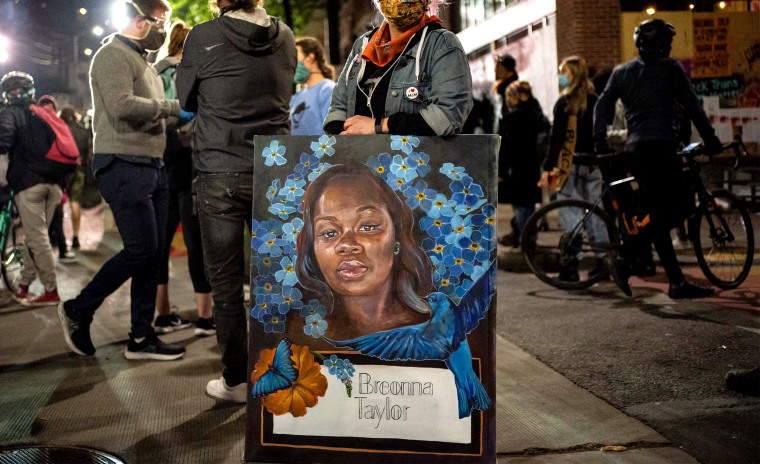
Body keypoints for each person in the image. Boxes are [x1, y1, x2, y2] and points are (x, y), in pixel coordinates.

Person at [177, 0, 296, 403]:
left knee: (226, 285)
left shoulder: (203, 36)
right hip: (274, 168)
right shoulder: (286, 38)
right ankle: (282, 373)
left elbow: (185, 100)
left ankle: (237, 380)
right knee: (276, 280)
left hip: (219, 169)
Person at [57, 0, 186, 361]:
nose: (163, 27)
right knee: (141, 249)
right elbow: (122, 106)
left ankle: (141, 338)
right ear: (138, 20)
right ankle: (79, 308)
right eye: (159, 20)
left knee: (153, 254)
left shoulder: (144, 63)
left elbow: (153, 114)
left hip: (152, 163)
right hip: (124, 163)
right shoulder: (111, 55)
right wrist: (174, 109)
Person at [594, 19, 723, 299]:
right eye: (668, 41)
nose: (671, 46)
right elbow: (693, 107)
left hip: (635, 151)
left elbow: (602, 104)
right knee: (682, 205)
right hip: (661, 148)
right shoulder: (670, 69)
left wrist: (600, 142)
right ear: (661, 43)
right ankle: (627, 255)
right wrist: (711, 140)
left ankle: (674, 281)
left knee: (657, 212)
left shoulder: (622, 72)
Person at [295, 162, 434, 340]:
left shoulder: (443, 330)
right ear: (312, 248)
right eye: (329, 232)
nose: (347, 245)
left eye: (368, 227)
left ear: (397, 236)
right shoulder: (299, 334)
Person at [323, 0, 472, 136]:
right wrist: (343, 137)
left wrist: (378, 125)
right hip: (359, 159)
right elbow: (338, 108)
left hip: (412, 161)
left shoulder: (442, 44)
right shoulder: (363, 45)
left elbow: (448, 116)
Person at [154, 22, 215, 337]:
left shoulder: (154, 72)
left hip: (161, 160)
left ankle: (162, 314)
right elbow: (193, 111)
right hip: (191, 159)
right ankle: (205, 317)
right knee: (195, 238)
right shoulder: (190, 72)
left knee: (160, 240)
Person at [538, 56, 609, 282]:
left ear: (573, 75)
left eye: (564, 72)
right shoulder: (596, 100)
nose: (561, 76)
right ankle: (604, 260)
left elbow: (557, 139)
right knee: (595, 213)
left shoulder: (565, 103)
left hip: (571, 165)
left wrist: (548, 167)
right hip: (592, 166)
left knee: (570, 213)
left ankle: (571, 265)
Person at [0, 73, 65, 305]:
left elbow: (3, 142)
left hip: (29, 184)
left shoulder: (10, 113)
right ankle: (24, 286)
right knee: (35, 236)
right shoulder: (43, 114)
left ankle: (51, 290)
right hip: (53, 185)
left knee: (37, 239)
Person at [498, 81, 547, 248]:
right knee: (529, 204)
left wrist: (501, 171)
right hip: (532, 165)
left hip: (516, 168)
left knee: (520, 205)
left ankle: (525, 240)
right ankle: (530, 237)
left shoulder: (511, 118)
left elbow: (504, 147)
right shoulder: (537, 116)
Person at [36, 95, 77, 264]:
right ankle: (60, 251)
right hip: (51, 182)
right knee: (53, 219)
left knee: (41, 223)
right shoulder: (59, 128)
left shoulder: (34, 127)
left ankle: (44, 255)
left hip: (38, 181)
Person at [59, 106, 91, 252]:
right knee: (74, 202)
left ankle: (58, 238)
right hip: (79, 169)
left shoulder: (61, 129)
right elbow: (89, 153)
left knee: (58, 204)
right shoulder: (82, 130)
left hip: (62, 170)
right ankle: (76, 237)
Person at [290, 37, 336, 136]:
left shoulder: (328, 90)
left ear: (310, 58)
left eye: (295, 58)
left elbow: (334, 136)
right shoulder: (296, 97)